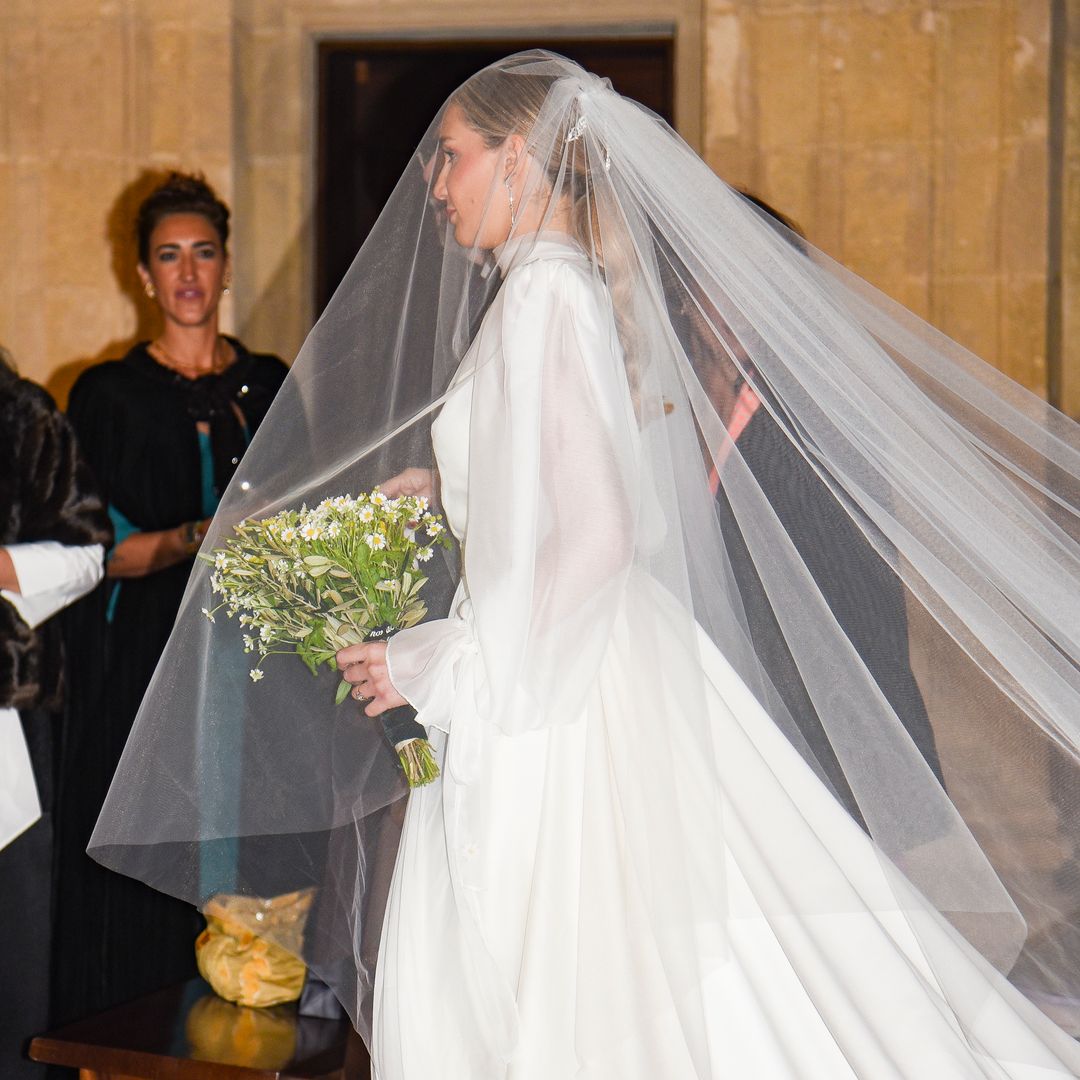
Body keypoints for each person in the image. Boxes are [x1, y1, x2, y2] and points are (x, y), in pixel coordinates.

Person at [90, 54, 1080, 1077]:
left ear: (518, 158)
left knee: (569, 981)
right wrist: (435, 487)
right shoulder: (550, 290)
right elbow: (562, 484)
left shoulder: (541, 297)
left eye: (454, 159)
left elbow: (600, 533)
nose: (437, 184)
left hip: (548, 690)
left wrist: (451, 661)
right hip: (567, 664)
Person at [54, 172, 289, 1024]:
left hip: (259, 668)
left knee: (249, 857)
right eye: (168, 256)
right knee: (150, 869)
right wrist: (198, 537)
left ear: (227, 266)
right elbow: (92, 553)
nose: (188, 272)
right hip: (142, 666)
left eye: (204, 253)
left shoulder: (273, 383)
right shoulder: (105, 396)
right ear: (142, 277)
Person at [0, 346, 111, 1078]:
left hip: (9, 717)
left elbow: (91, 549)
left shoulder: (24, 418)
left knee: (14, 948)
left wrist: (5, 569)